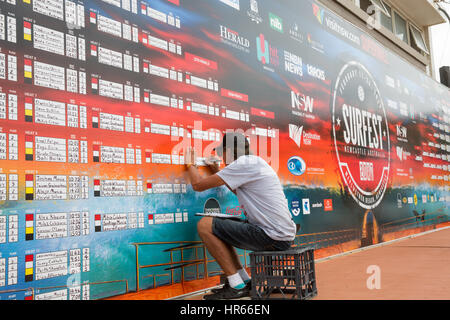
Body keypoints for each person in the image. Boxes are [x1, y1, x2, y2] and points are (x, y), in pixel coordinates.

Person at [184, 132, 297, 300]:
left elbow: (198, 185)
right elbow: (237, 190)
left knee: (205, 225)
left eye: (223, 154)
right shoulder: (254, 162)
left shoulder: (243, 163)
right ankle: (242, 281)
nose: (222, 158)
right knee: (220, 228)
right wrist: (219, 171)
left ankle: (236, 286)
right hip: (281, 235)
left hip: (272, 236)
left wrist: (190, 164)